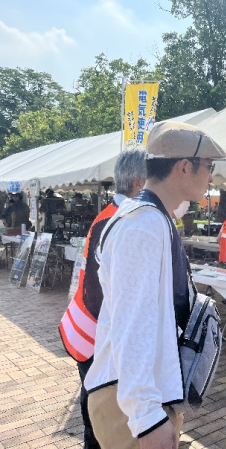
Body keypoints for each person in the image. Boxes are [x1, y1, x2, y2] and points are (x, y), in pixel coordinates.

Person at [84, 121, 226, 448]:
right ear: (184, 167)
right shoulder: (143, 225)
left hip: (138, 395)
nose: (211, 177)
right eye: (209, 166)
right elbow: (132, 324)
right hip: (130, 403)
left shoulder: (151, 218)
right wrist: (147, 418)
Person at [59, 150, 147, 449]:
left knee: (97, 409)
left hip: (88, 330)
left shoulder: (112, 215)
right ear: (138, 183)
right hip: (93, 334)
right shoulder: (116, 221)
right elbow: (100, 294)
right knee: (99, 419)